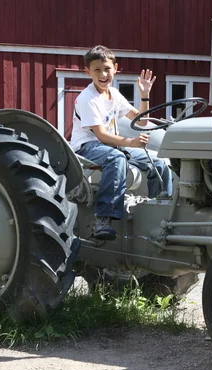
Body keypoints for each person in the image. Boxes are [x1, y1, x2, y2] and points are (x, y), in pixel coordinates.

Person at [70, 45, 173, 241]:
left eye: (107, 69)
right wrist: (131, 142)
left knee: (158, 162)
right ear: (87, 72)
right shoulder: (88, 99)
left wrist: (144, 95)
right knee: (117, 158)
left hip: (112, 145)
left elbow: (141, 120)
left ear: (115, 69)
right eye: (97, 70)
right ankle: (103, 219)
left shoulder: (114, 94)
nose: (103, 74)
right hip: (87, 147)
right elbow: (100, 135)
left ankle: (162, 211)